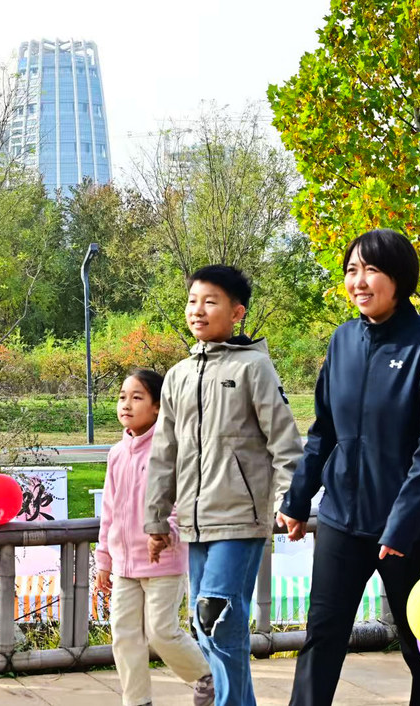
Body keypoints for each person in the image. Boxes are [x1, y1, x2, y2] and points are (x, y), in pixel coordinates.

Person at [276, 229, 420, 706]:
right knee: (322, 637)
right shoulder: (342, 341)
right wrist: (297, 499)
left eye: (371, 270)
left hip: (407, 531)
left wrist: (401, 527)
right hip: (342, 517)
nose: (358, 281)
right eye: (351, 270)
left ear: (399, 279)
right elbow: (323, 431)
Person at [144, 265, 304, 706]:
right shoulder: (177, 375)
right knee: (206, 625)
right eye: (192, 301)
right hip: (195, 522)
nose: (197, 310)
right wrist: (156, 519)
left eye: (210, 301)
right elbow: (164, 453)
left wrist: (291, 499)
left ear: (237, 312)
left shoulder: (254, 367)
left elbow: (284, 440)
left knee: (217, 617)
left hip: (239, 517)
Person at [95, 368, 214, 706]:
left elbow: (183, 501)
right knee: (124, 636)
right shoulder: (117, 454)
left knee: (161, 631)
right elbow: (109, 511)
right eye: (122, 397)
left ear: (158, 406)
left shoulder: (170, 449)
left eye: (137, 397)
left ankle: (207, 677)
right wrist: (104, 560)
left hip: (163, 561)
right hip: (124, 565)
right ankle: (137, 701)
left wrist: (164, 532)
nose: (126, 405)